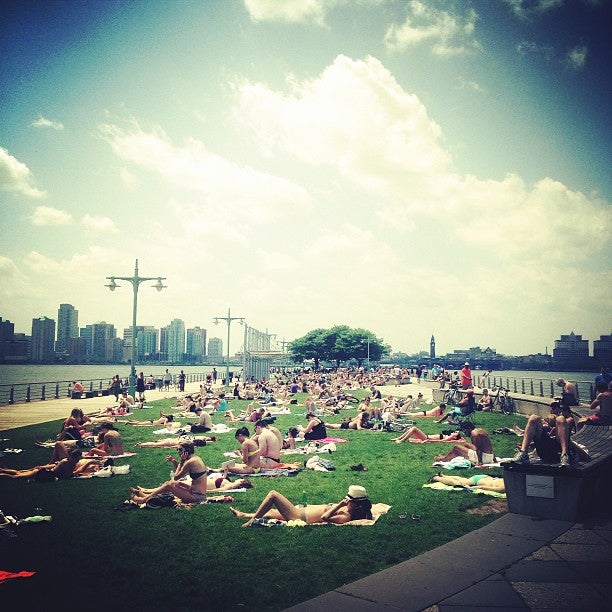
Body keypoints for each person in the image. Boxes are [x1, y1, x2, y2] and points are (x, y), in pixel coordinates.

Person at [229, 484, 373, 527]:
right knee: (271, 512)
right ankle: (244, 515)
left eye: (349, 500)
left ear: (356, 504)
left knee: (273, 494)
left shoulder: (346, 517)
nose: (346, 500)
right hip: (301, 510)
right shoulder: (347, 508)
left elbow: (325, 517)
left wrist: (340, 504)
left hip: (299, 516)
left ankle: (250, 522)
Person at [130, 440, 208, 504]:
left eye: (180, 450)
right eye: (177, 449)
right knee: (173, 483)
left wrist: (181, 462)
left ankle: (143, 500)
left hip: (197, 496)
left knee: (169, 485)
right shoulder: (195, 458)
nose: (178, 452)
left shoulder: (190, 462)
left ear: (187, 451)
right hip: (195, 491)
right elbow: (179, 473)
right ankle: (146, 493)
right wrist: (174, 462)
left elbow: (176, 477)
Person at [509, 401, 572, 466]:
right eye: (553, 408)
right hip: (544, 449)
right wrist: (546, 423)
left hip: (558, 449)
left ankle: (564, 455)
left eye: (557, 408)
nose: (555, 410)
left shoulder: (567, 420)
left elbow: (561, 425)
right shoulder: (551, 420)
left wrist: (553, 422)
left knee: (561, 419)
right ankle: (523, 453)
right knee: (533, 417)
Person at [0, 447, 83, 481]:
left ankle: (2, 470)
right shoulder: (65, 462)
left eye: (78, 459)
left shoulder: (71, 463)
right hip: (44, 473)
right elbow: (65, 475)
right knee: (16, 476)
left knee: (19, 473)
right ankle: (2, 472)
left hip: (46, 472)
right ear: (72, 457)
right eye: (76, 459)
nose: (77, 461)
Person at [429, 473, 505, 493]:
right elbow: (483, 487)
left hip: (485, 477)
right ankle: (436, 478)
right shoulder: (503, 488)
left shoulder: (509, 481)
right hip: (479, 481)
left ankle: (444, 476)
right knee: (459, 484)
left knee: (463, 480)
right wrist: (471, 488)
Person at [393, 426, 463, 444]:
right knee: (412, 429)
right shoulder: (450, 436)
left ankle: (402, 440)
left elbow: (443, 441)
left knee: (414, 429)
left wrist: (428, 440)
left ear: (455, 436)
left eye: (455, 433)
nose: (454, 432)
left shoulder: (450, 437)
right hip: (426, 437)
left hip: (426, 438)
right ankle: (399, 438)